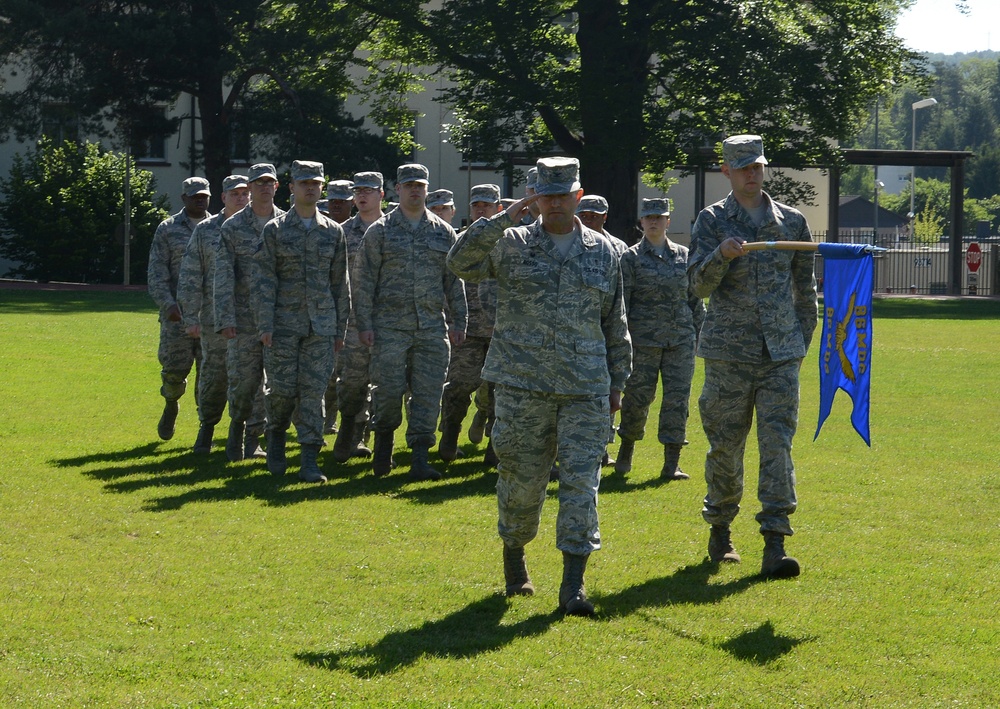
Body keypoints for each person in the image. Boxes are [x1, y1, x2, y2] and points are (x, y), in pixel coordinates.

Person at [448, 156, 631, 616]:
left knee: (581, 482)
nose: (553, 203)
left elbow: (615, 323)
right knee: (521, 482)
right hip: (521, 385)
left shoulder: (605, 251)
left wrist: (616, 384)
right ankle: (515, 555)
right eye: (544, 195)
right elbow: (460, 262)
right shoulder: (509, 243)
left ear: (577, 195)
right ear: (534, 197)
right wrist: (503, 217)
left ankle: (573, 586)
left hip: (585, 388)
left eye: (561, 194)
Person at [688, 134, 817, 580]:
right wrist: (721, 256)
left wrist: (801, 341)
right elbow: (698, 286)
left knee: (777, 445)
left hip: (781, 355)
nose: (750, 173)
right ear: (726, 171)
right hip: (728, 355)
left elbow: (806, 290)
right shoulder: (711, 221)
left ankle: (775, 543)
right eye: (742, 167)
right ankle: (721, 530)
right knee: (726, 446)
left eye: (756, 166)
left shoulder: (793, 223)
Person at [353, 164, 467, 481]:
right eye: (408, 186)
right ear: (397, 191)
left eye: (419, 185)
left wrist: (460, 321)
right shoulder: (381, 231)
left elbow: (454, 281)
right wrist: (364, 324)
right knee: (387, 394)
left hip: (431, 329)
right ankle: (383, 453)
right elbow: (363, 282)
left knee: (428, 396)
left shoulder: (443, 232)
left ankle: (419, 459)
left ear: (426, 189)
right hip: (389, 329)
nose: (414, 190)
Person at [254, 160, 351, 484]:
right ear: (292, 187)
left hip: (320, 328)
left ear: (322, 187)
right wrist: (265, 325)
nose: (310, 187)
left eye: (316, 183)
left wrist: (339, 329)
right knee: (281, 391)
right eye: (304, 182)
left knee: (313, 392)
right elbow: (264, 280)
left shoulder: (333, 232)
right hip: (282, 325)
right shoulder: (276, 230)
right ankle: (276, 437)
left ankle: (309, 458)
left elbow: (340, 284)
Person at [615, 197, 705, 480]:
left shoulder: (684, 255)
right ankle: (626, 448)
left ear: (668, 221)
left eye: (660, 217)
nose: (654, 221)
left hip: (680, 341)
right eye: (649, 217)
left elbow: (695, 301)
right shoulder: (629, 258)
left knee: (677, 401)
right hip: (643, 342)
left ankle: (672, 462)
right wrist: (622, 341)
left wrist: (699, 337)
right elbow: (623, 304)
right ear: (641, 222)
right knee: (637, 399)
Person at [214, 163, 285, 462]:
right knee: (245, 384)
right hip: (244, 320)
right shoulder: (232, 227)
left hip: (282, 319)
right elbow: (223, 275)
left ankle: (261, 440)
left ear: (277, 187)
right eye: (259, 183)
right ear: (251, 188)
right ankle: (237, 431)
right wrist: (225, 318)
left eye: (270, 183)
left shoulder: (287, 223)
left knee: (278, 385)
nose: (264, 187)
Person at [176, 174, 250, 453]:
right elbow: (190, 275)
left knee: (249, 378)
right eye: (235, 194)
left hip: (251, 318)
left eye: (245, 193)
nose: (241, 198)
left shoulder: (265, 225)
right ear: (223, 197)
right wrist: (191, 317)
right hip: (213, 318)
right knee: (214, 377)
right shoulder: (206, 230)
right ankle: (206, 428)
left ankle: (241, 435)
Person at [438, 184, 502, 467]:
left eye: (487, 205)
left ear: (499, 209)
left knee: (501, 394)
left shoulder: (511, 241)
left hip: (503, 334)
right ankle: (450, 437)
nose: (481, 210)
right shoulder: (460, 241)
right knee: (458, 387)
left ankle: (495, 448)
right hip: (468, 330)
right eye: (477, 205)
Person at [147, 177, 213, 441]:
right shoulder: (168, 228)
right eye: (195, 195)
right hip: (177, 316)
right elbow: (156, 271)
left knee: (209, 374)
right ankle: (171, 404)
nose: (200, 199)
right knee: (174, 370)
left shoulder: (218, 227)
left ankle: (204, 428)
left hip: (210, 315)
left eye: (204, 195)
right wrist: (168, 305)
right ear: (184, 198)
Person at [331, 171, 385, 463]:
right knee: (352, 381)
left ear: (382, 195)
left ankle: (374, 440)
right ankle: (350, 431)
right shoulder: (342, 232)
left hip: (389, 319)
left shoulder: (393, 229)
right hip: (352, 321)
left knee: (387, 383)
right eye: (358, 191)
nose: (362, 195)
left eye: (369, 190)